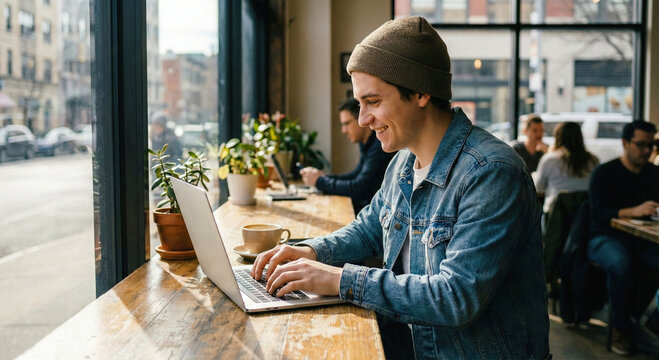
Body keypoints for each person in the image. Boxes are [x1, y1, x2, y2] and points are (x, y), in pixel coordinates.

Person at [252, 16, 549, 359]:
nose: (363, 119)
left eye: (373, 101)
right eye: (360, 103)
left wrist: (338, 280)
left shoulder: (492, 172)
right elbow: (368, 231)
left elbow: (456, 298)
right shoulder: (403, 163)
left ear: (421, 91)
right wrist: (310, 252)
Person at [588, 120, 659, 355]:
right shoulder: (605, 173)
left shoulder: (654, 174)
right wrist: (634, 210)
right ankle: (621, 328)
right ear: (625, 143)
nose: (647, 151)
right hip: (603, 237)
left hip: (643, 239)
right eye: (640, 145)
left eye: (651, 145)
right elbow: (597, 214)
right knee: (621, 264)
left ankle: (644, 321)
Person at [299, 98, 395, 215]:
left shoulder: (380, 145)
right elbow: (355, 175)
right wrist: (323, 177)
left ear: (360, 119)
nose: (343, 131)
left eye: (346, 124)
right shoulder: (367, 143)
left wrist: (320, 181)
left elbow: (360, 187)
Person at [534, 122, 599, 215]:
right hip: (585, 218)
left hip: (555, 219)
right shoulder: (593, 160)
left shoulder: (550, 159)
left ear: (557, 138)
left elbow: (538, 189)